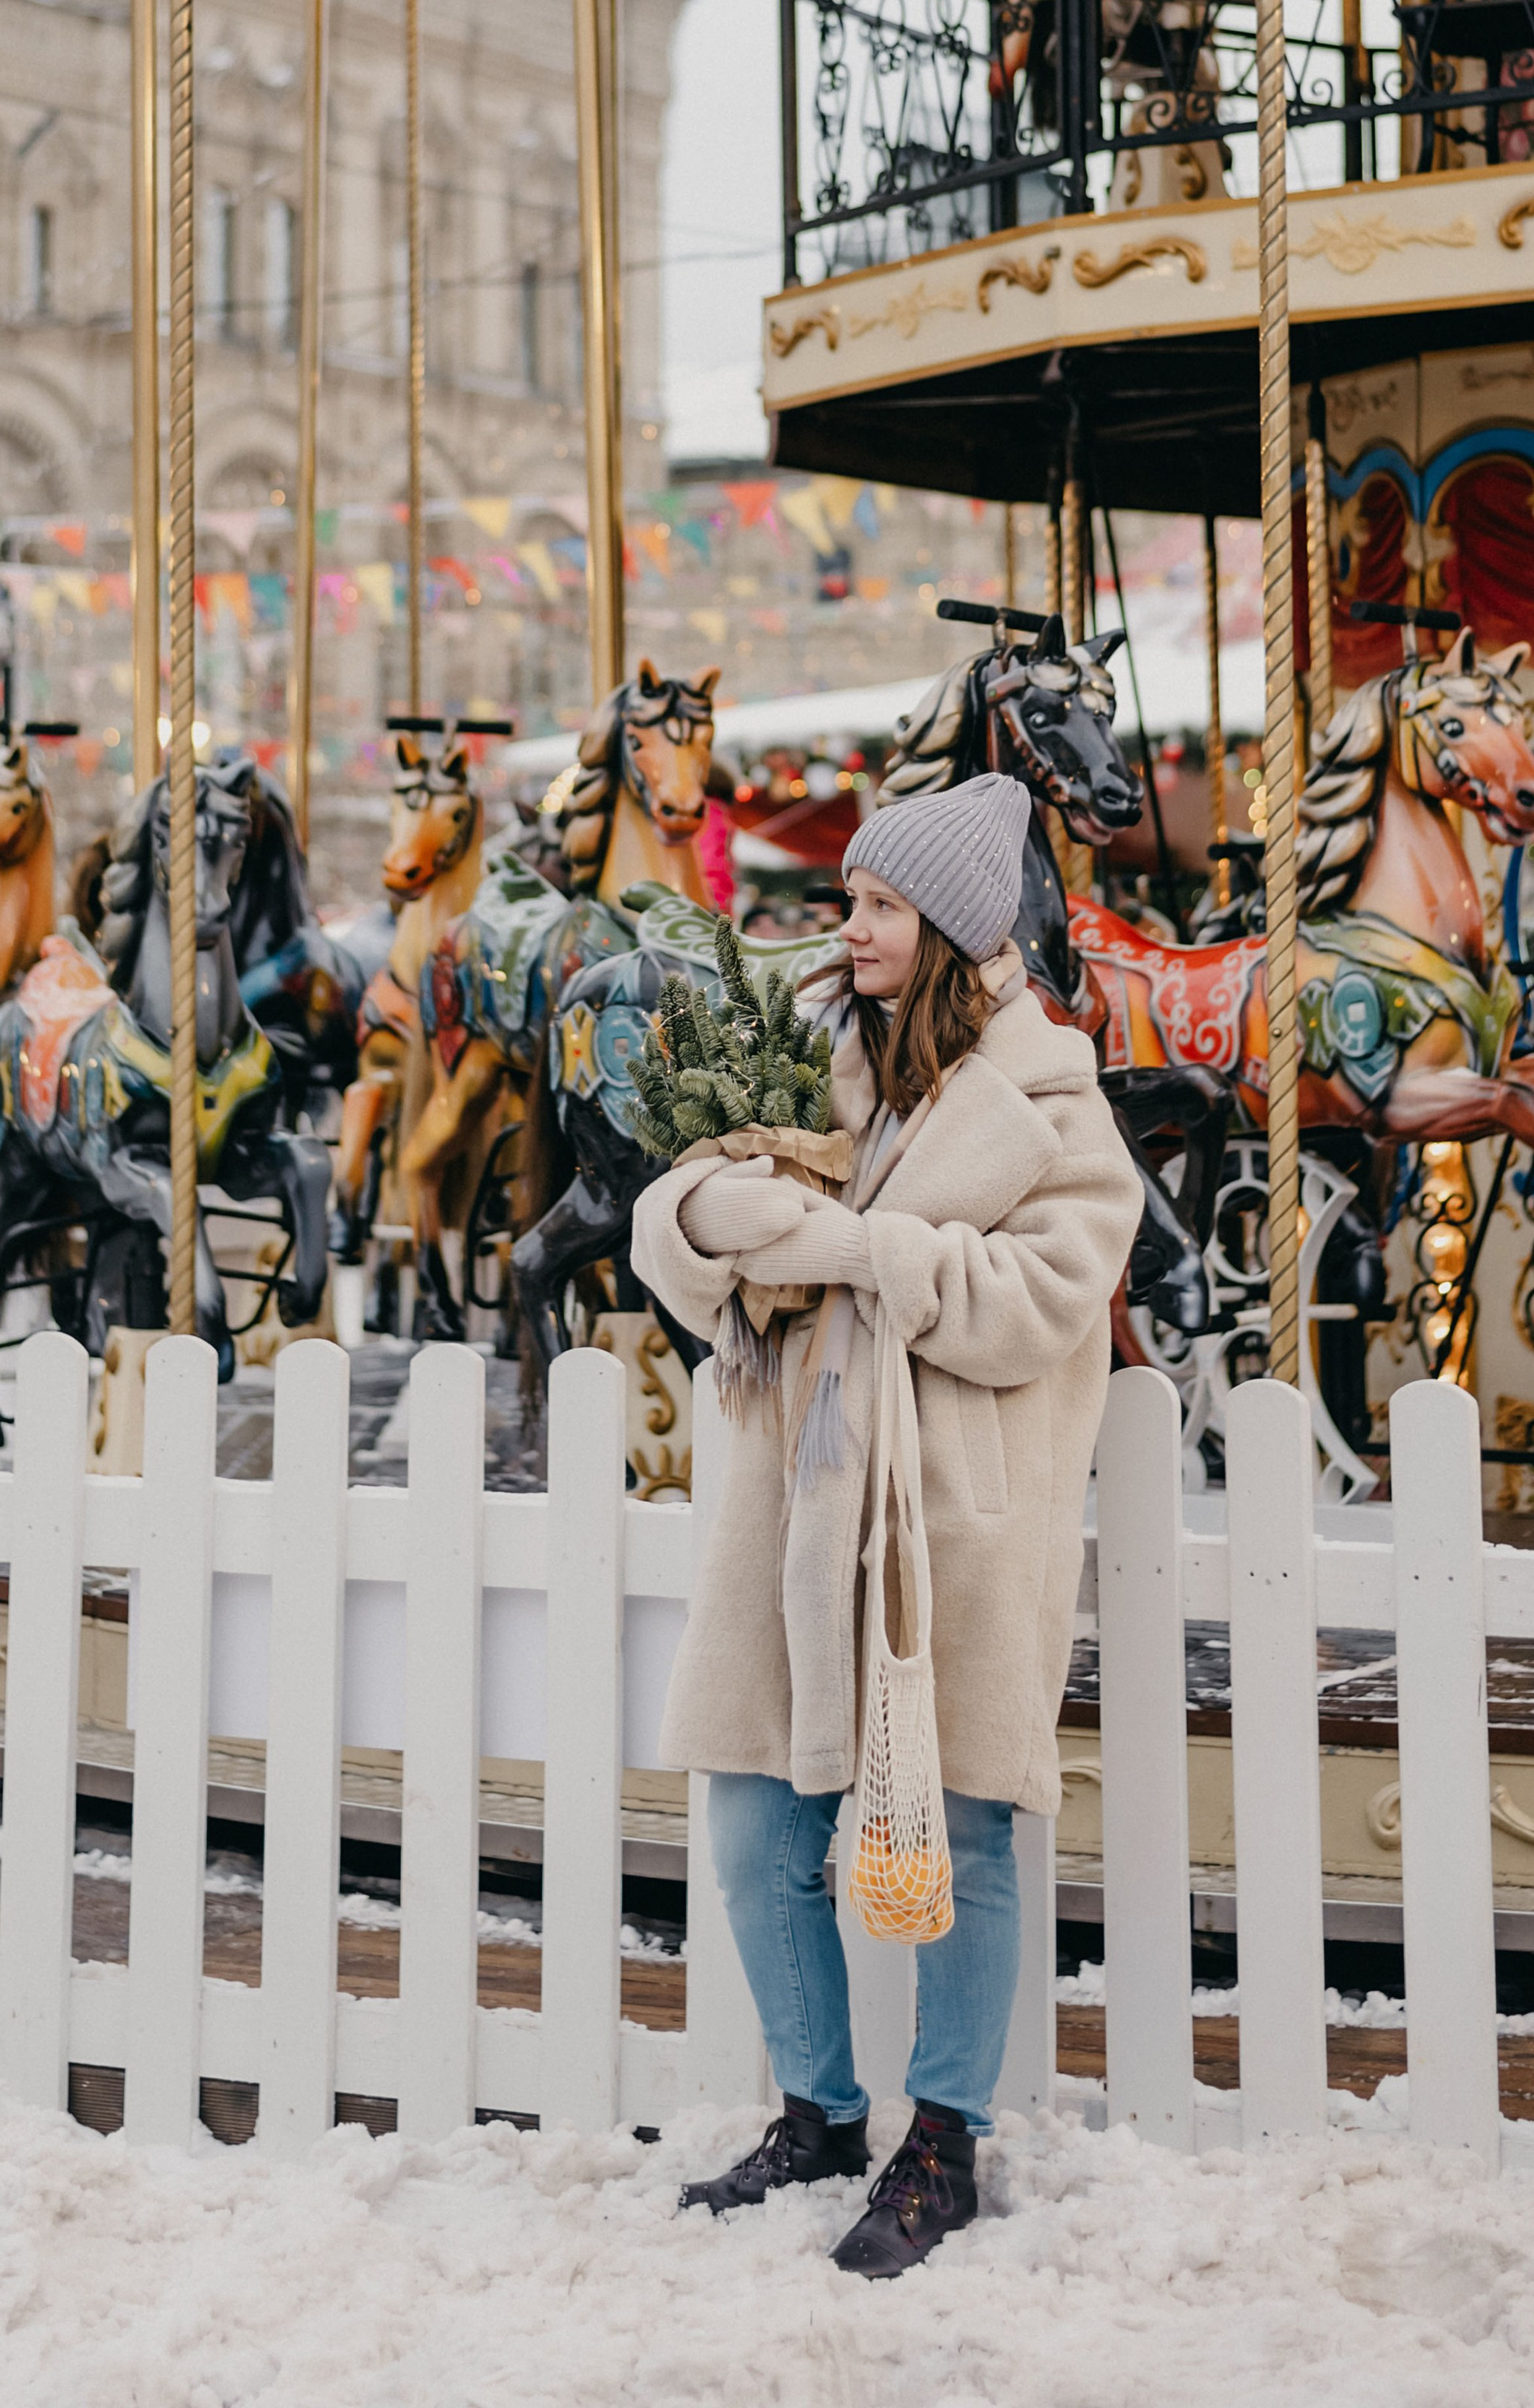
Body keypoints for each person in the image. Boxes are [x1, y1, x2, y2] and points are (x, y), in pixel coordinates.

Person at [631, 773, 1143, 2279]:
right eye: (848, 900)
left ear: (956, 933)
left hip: (952, 1503)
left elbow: (1048, 1305)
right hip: (801, 1485)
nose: (846, 926)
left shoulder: (1058, 1107)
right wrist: (703, 1219)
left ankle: (942, 2139)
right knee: (750, 1818)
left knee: (966, 1828)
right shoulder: (812, 1059)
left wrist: (867, 1250)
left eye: (876, 905)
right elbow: (684, 1208)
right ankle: (816, 2106)